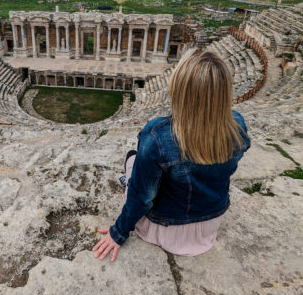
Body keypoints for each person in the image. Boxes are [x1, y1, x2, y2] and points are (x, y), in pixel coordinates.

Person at [93, 48, 251, 262]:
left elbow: (142, 199)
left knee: (133, 159)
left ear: (179, 89)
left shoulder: (157, 136)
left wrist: (118, 233)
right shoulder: (238, 125)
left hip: (167, 227)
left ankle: (127, 179)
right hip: (210, 223)